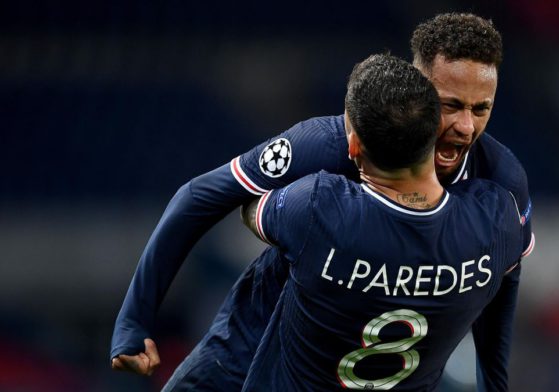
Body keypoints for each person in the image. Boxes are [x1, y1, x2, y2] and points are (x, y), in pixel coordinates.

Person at [111, 12, 534, 391]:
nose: (465, 126)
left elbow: (505, 278)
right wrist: (133, 320)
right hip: (250, 352)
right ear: (416, 90)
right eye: (450, 105)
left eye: (482, 109)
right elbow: (200, 196)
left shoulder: (499, 182)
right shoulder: (331, 144)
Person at [239, 53, 524, 391]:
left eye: (479, 108)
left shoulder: (318, 206)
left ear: (355, 144)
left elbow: (251, 209)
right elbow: (507, 275)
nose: (464, 125)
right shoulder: (496, 218)